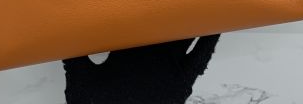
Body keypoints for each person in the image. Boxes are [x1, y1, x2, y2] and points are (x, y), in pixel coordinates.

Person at [63, 34, 220, 104]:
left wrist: (217, 24)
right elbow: (69, 48)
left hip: (181, 9)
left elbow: (199, 58)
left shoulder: (171, 98)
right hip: (129, 4)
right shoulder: (89, 99)